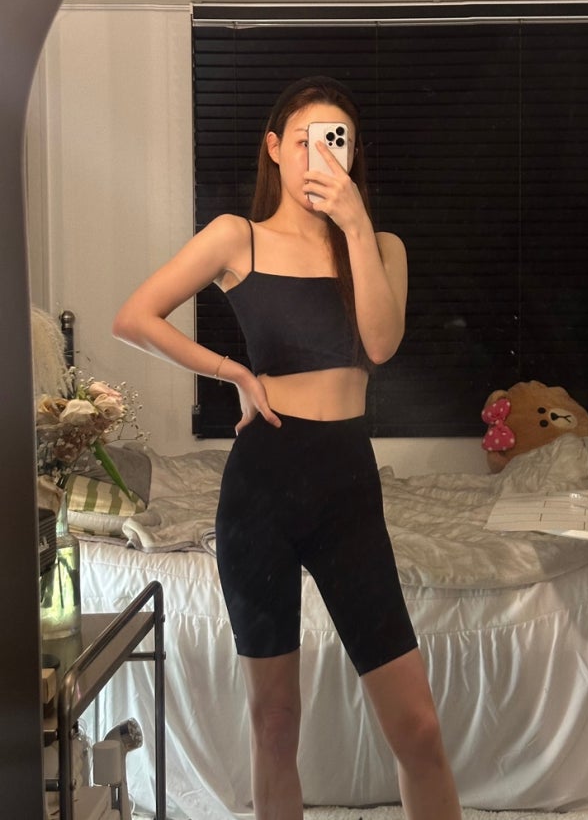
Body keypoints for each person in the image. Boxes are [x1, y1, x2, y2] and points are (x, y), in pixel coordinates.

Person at [113, 75, 461, 820]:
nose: (318, 156)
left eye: (335, 141)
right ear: (274, 148)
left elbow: (380, 344)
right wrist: (232, 371)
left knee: (418, 727)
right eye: (304, 140)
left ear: (353, 154)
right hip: (261, 492)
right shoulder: (235, 237)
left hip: (348, 491)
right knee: (274, 723)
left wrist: (355, 224)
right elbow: (135, 315)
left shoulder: (381, 246)